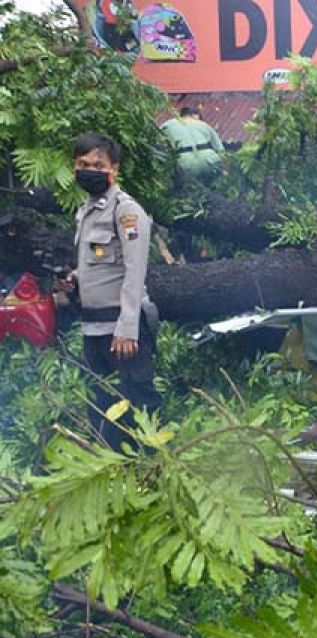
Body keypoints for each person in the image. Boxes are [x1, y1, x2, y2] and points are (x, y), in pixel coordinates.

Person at [64, 132, 162, 451]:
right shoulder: (86, 212)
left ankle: (152, 471)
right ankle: (112, 473)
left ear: (113, 169)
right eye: (82, 164)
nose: (89, 169)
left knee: (138, 404)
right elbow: (99, 265)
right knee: (102, 404)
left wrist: (128, 328)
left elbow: (135, 272)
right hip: (94, 328)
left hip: (123, 330)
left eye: (97, 164)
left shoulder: (126, 211)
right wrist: (74, 279)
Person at [160, 106, 224, 180]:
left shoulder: (167, 125)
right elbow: (220, 150)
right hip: (209, 160)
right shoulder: (203, 124)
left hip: (185, 163)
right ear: (195, 115)